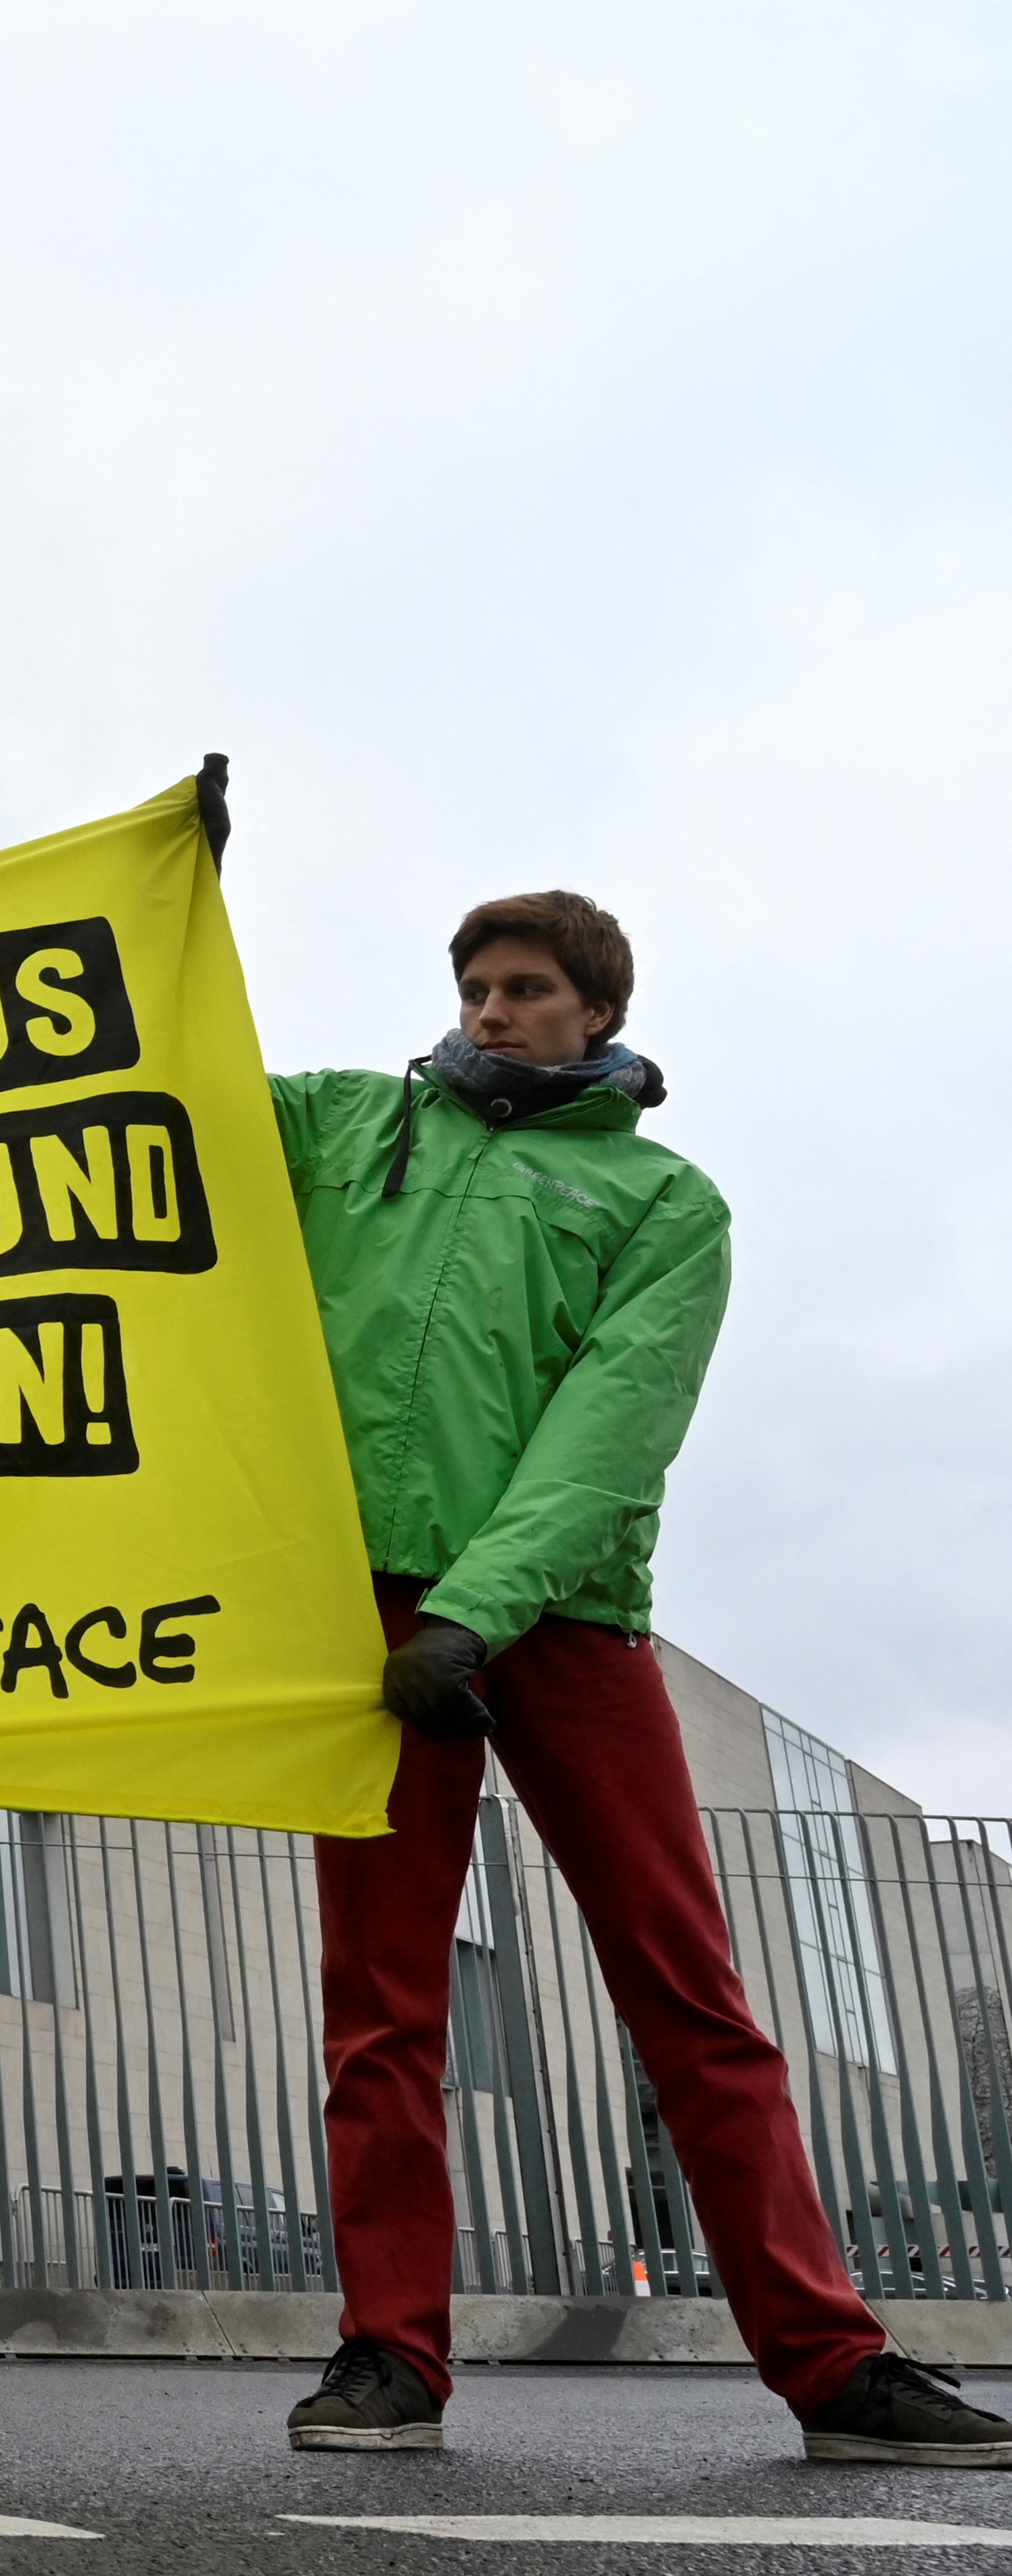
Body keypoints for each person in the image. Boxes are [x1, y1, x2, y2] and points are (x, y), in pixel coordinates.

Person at [273, 890, 1007, 2466]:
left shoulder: (669, 1204)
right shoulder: (347, 1126)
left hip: (560, 1620)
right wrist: (163, 897)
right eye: (472, 986)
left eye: (524, 988)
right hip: (373, 1621)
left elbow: (613, 1426)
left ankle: (835, 2363)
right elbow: (159, 1097)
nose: (488, 1011)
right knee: (380, 2009)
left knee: (691, 1996)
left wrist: (473, 1614)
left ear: (595, 1010)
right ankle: (389, 2357)